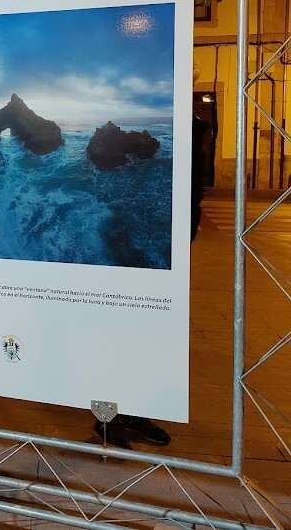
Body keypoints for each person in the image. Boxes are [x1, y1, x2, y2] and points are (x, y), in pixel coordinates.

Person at [97, 114, 212, 448]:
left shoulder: (196, 125)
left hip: (163, 251)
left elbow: (194, 188)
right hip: (124, 251)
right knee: (112, 337)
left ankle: (137, 412)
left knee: (148, 340)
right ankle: (106, 417)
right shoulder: (173, 122)